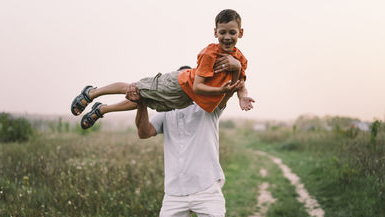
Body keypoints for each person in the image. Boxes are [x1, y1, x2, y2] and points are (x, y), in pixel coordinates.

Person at [126, 65, 237, 217]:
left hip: (207, 188)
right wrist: (141, 104)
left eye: (190, 83)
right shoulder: (167, 111)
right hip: (174, 193)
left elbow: (227, 94)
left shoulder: (209, 107)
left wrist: (235, 70)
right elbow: (144, 132)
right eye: (180, 84)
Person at [70, 9, 254, 129]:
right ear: (215, 33)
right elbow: (198, 86)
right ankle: (92, 92)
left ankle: (101, 110)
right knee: (134, 88)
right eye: (222, 32)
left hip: (185, 99)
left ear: (241, 33)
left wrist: (243, 96)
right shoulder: (211, 54)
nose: (227, 37)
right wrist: (220, 90)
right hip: (179, 85)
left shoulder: (240, 60)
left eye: (232, 32)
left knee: (141, 98)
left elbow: (240, 83)